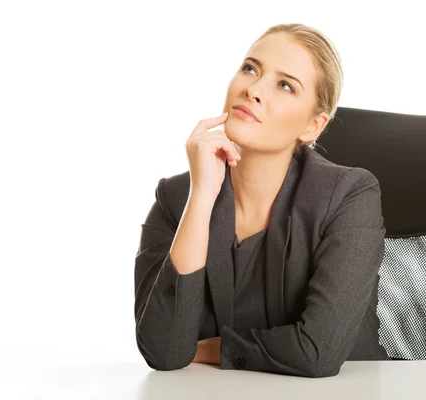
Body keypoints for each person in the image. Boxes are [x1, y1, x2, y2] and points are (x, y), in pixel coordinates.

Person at [134, 23, 391, 378]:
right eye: (250, 69)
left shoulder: (349, 195)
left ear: (312, 127)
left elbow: (317, 351)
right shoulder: (176, 199)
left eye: (285, 85)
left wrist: (208, 348)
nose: (253, 89)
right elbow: (163, 350)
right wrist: (202, 196)